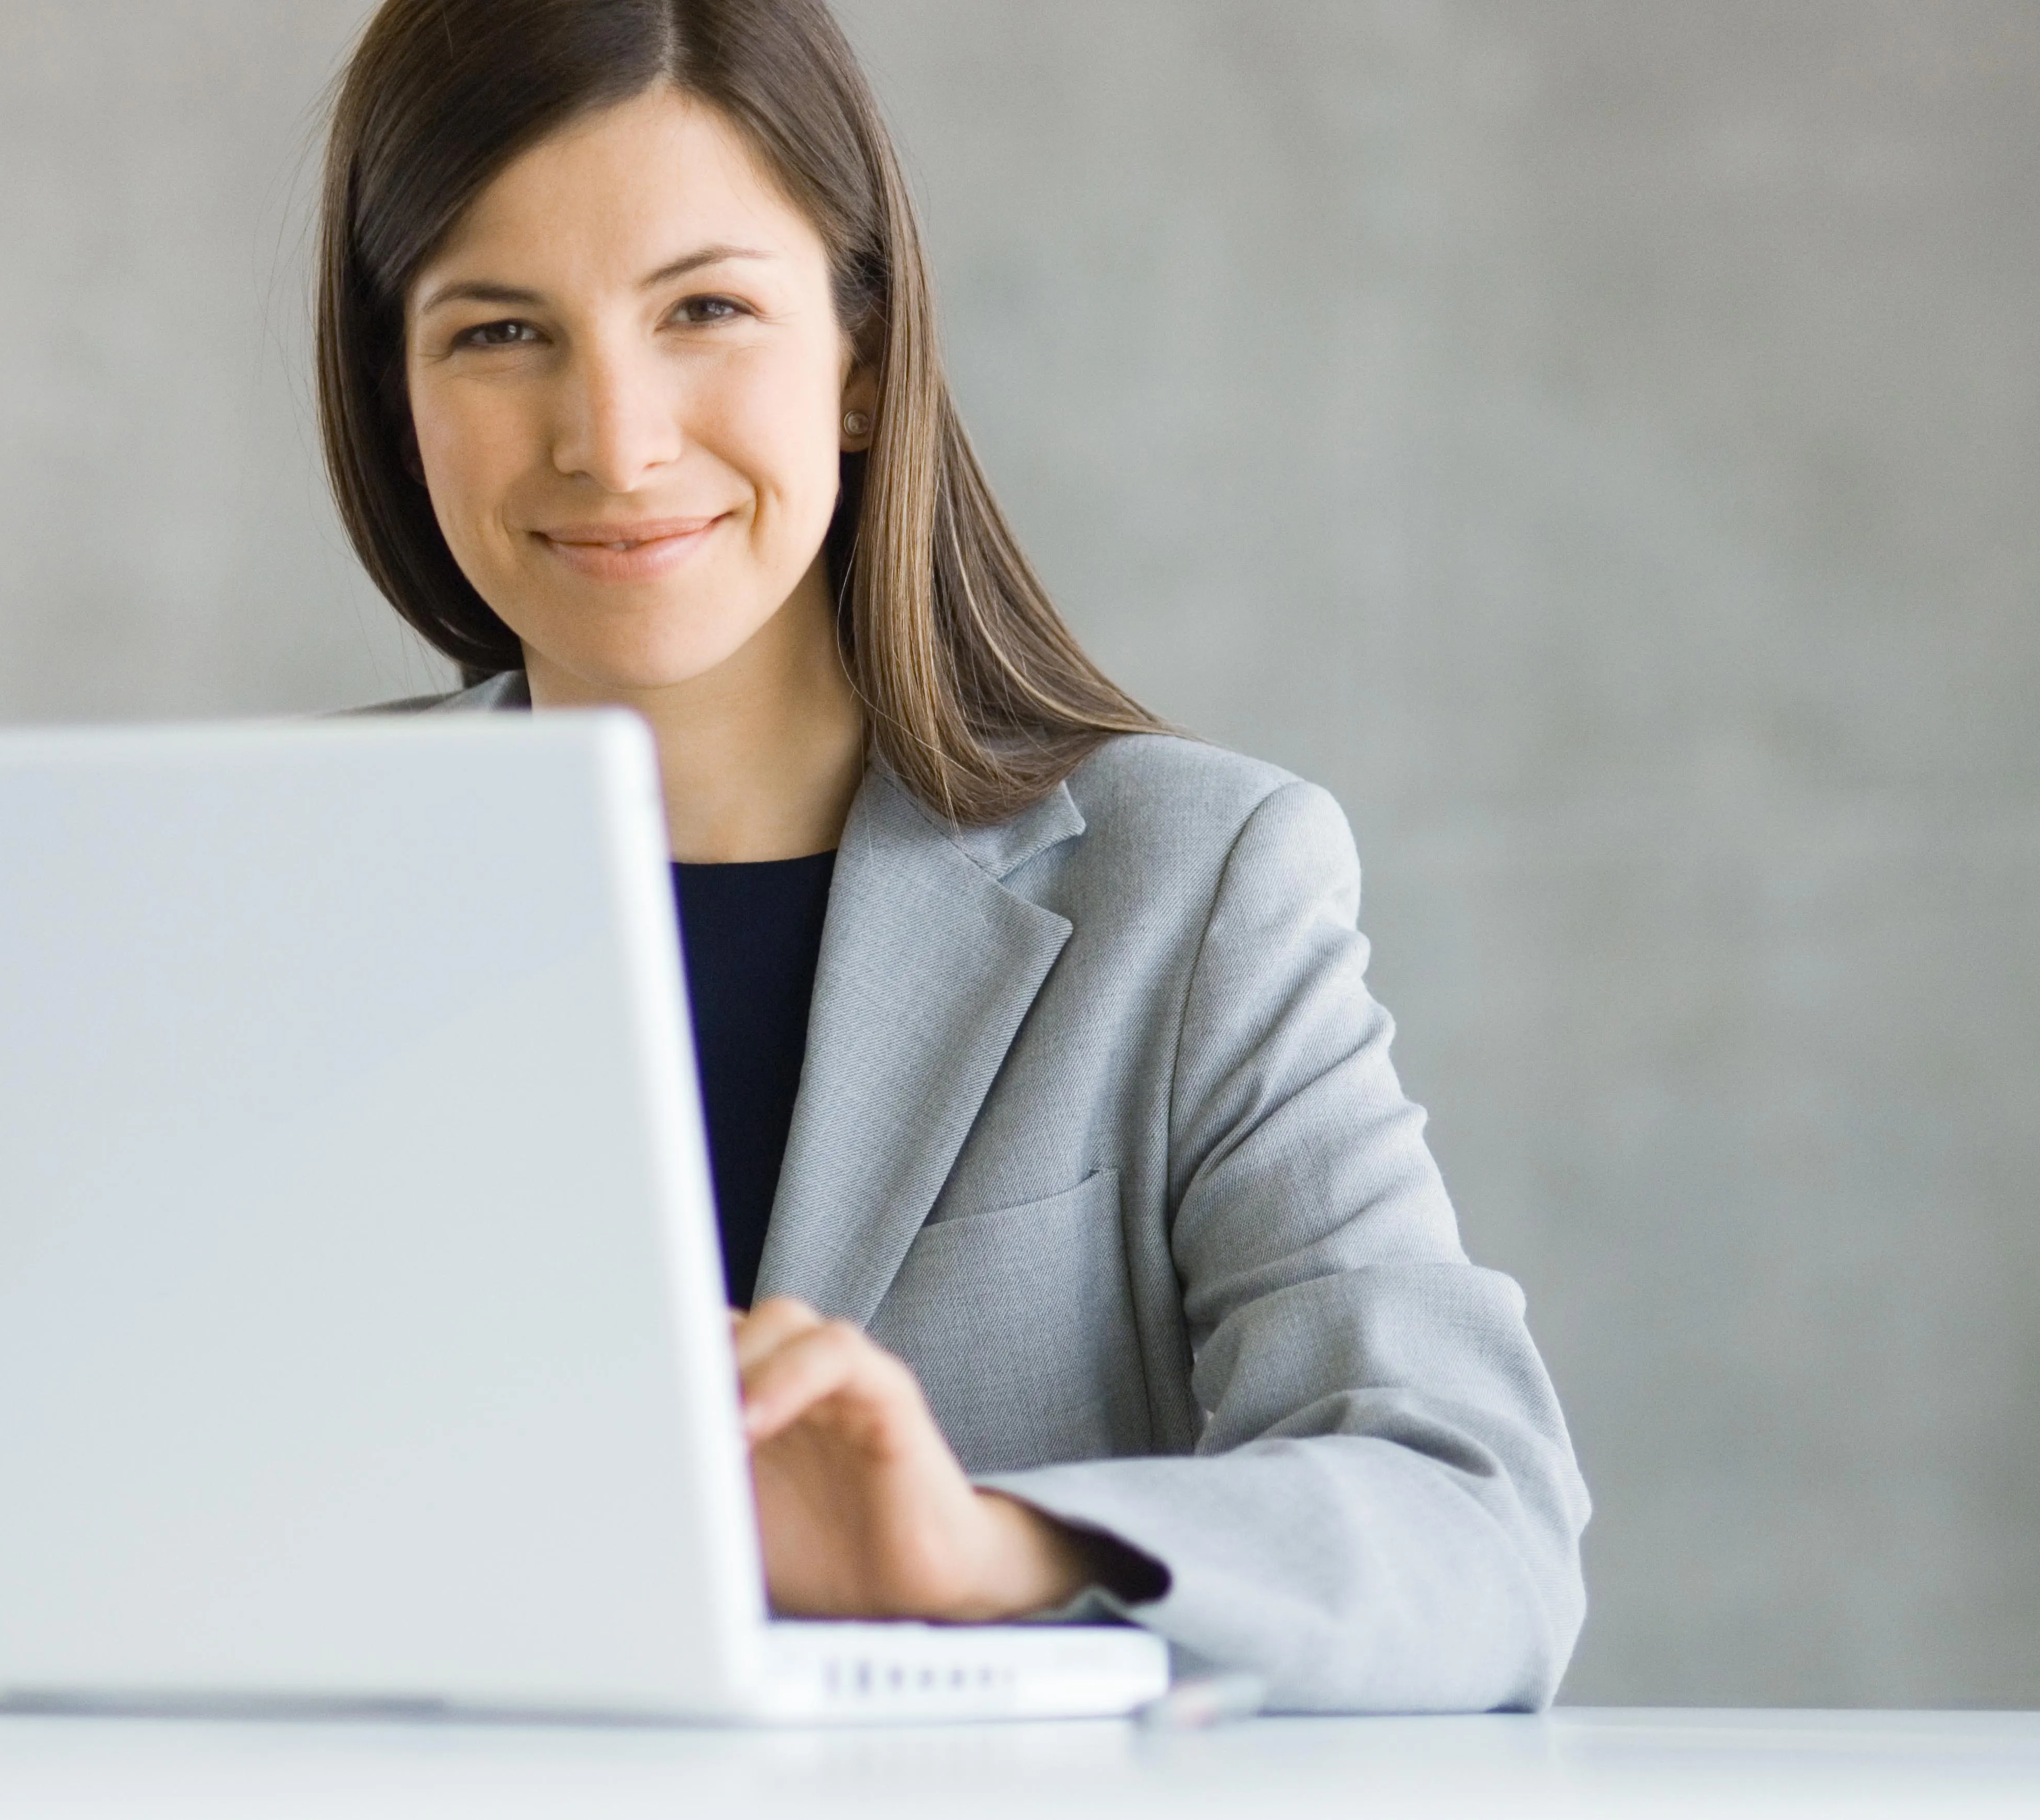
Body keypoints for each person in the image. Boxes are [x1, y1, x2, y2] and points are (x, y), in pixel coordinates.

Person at [320, 0, 1588, 1712]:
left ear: (857, 358)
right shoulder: (270, 891)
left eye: (706, 309)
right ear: (397, 385)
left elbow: (1484, 1531)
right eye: (496, 333)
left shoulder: (1190, 886)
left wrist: (990, 1553)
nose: (611, 442)